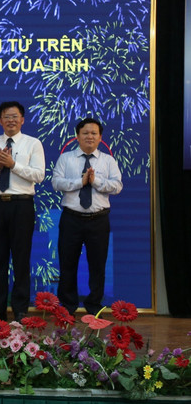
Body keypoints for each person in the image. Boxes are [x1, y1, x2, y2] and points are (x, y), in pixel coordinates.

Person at [0, 101, 45, 323]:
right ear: (0, 120)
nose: (11, 120)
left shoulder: (33, 144)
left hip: (22, 205)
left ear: (22, 120)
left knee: (21, 259)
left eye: (15, 116)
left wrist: (13, 164)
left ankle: (21, 310)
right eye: (7, 116)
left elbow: (39, 175)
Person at [51, 118, 122, 315]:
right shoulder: (66, 158)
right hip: (71, 218)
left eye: (93, 133)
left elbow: (117, 186)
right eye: (85, 133)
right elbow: (56, 183)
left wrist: (95, 181)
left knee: (98, 265)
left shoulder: (108, 160)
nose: (89, 136)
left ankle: (94, 308)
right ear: (77, 136)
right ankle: (67, 308)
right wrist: (80, 182)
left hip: (99, 219)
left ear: (100, 137)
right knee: (67, 264)